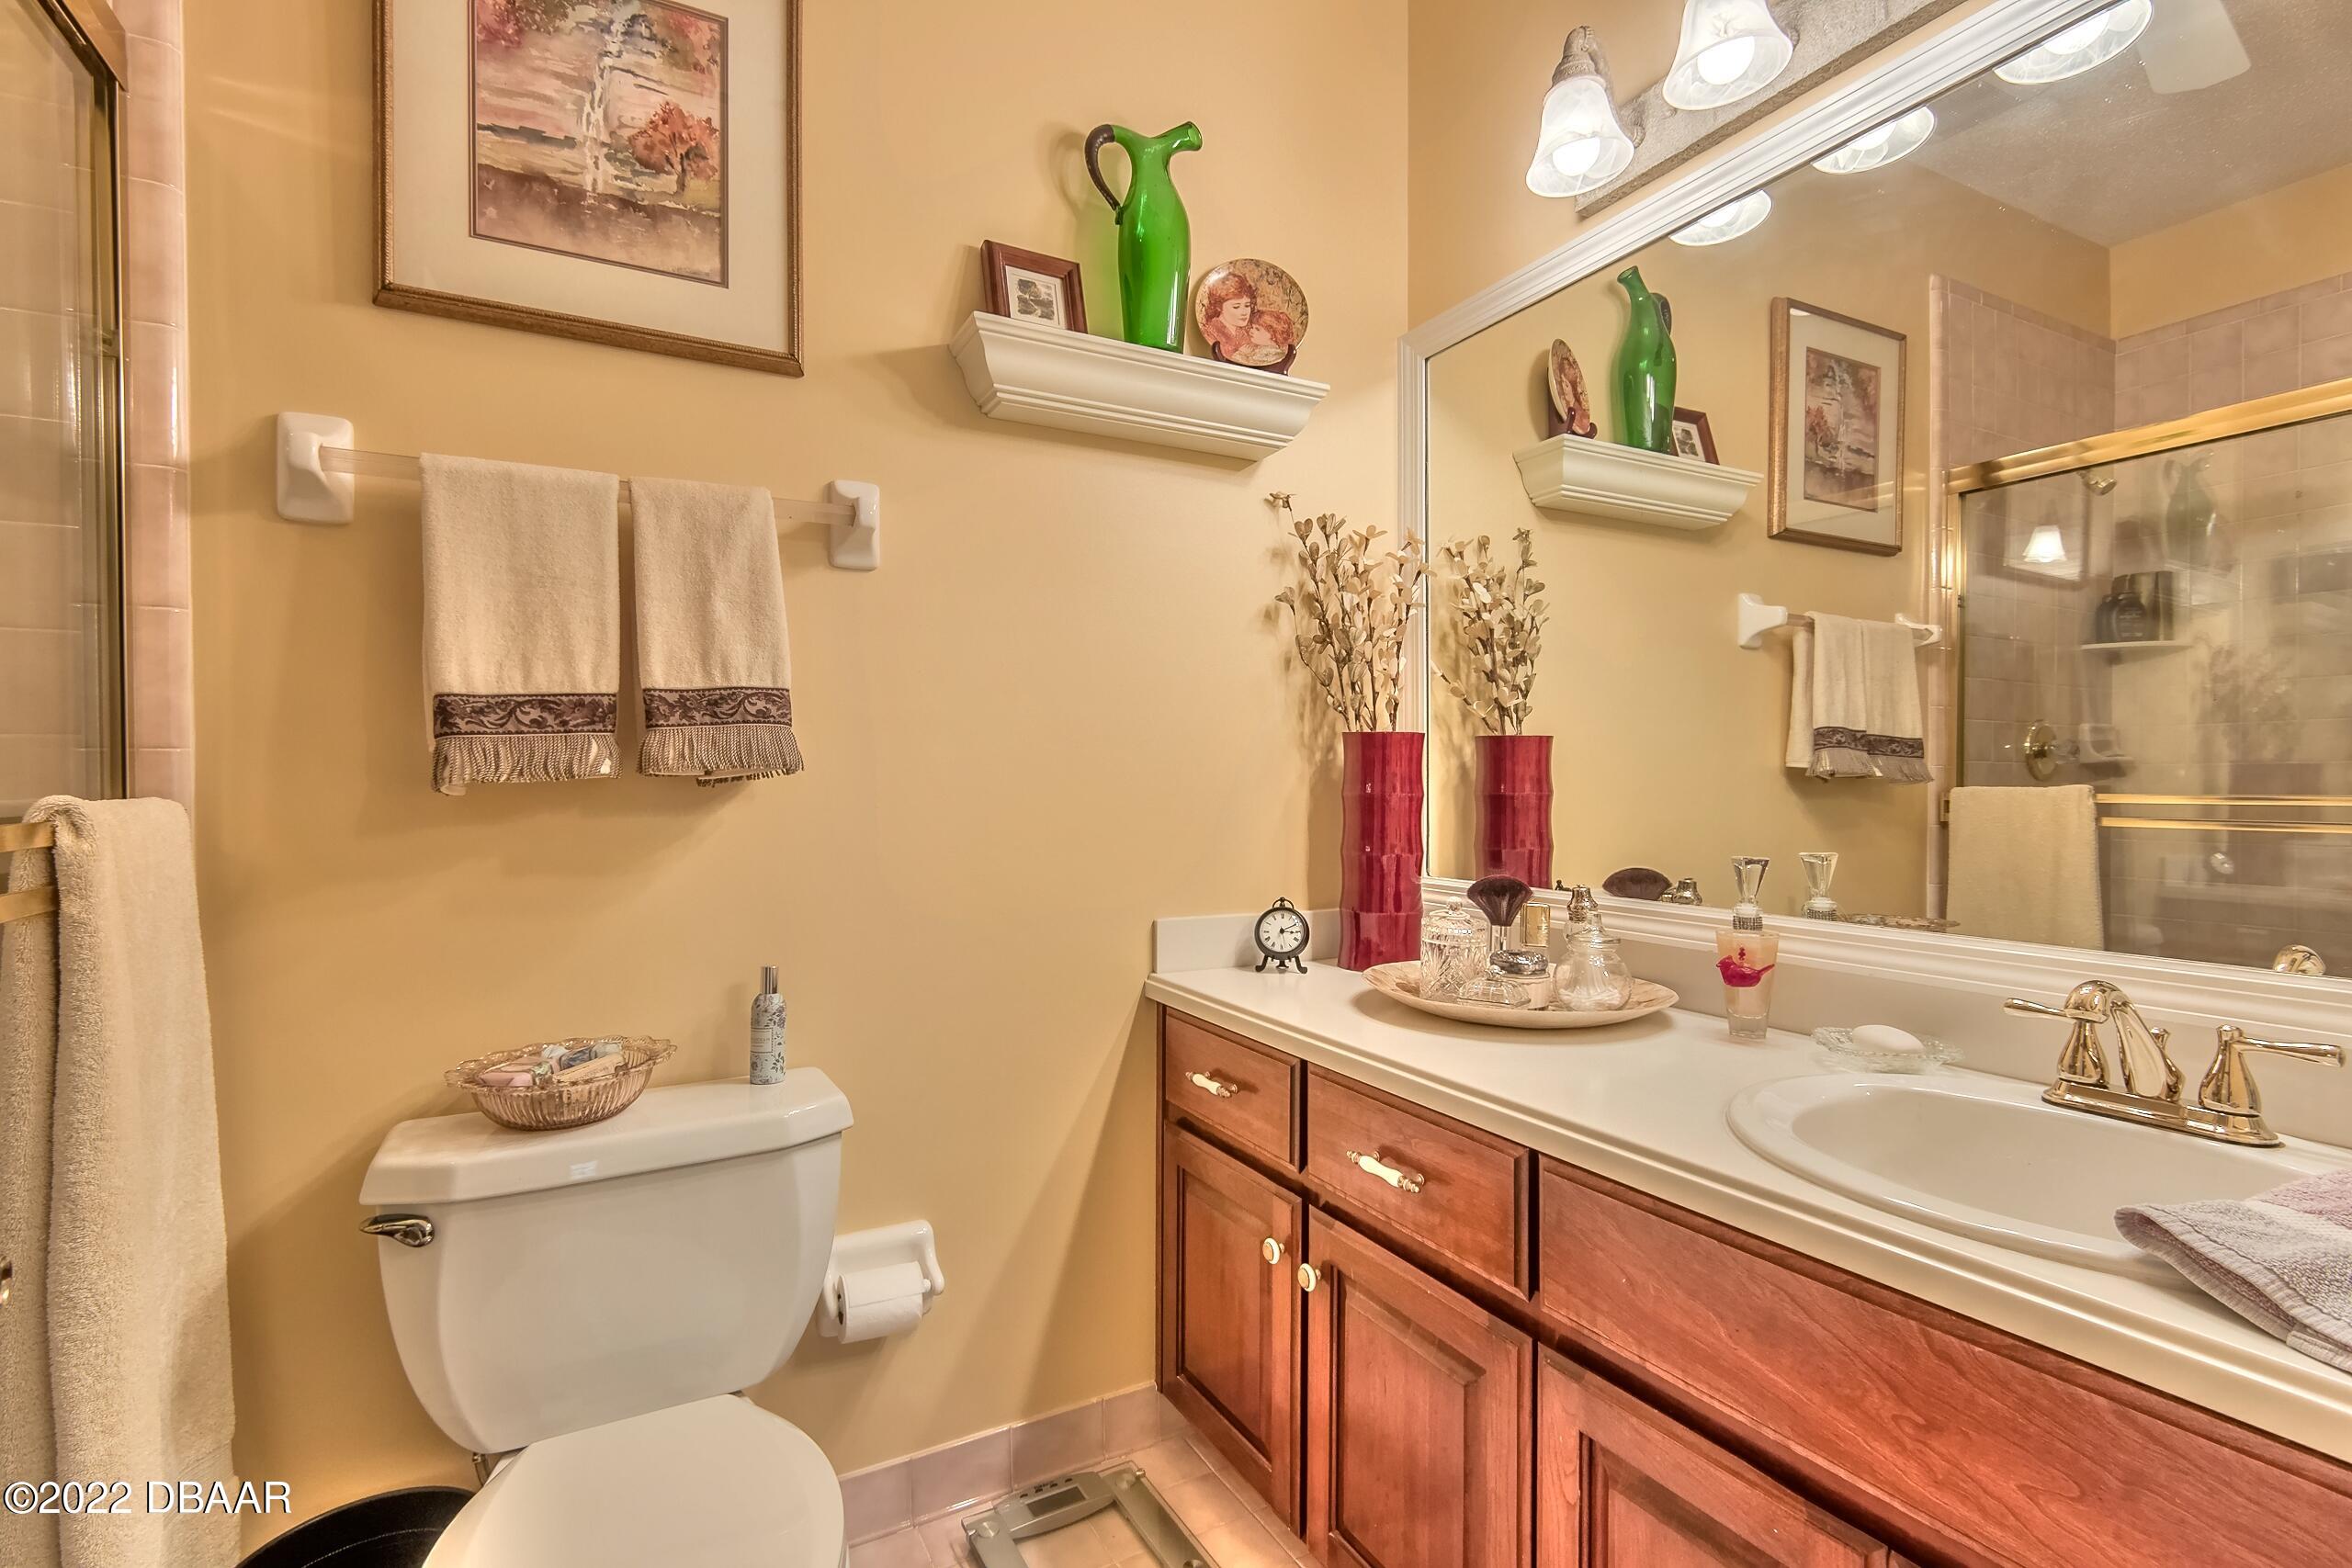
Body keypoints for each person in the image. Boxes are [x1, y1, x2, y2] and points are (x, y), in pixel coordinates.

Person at [1200, 271, 1297, 367]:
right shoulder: (1210, 332)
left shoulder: (1249, 332)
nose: (1244, 312)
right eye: (1236, 307)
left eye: (1247, 305)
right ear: (1219, 307)